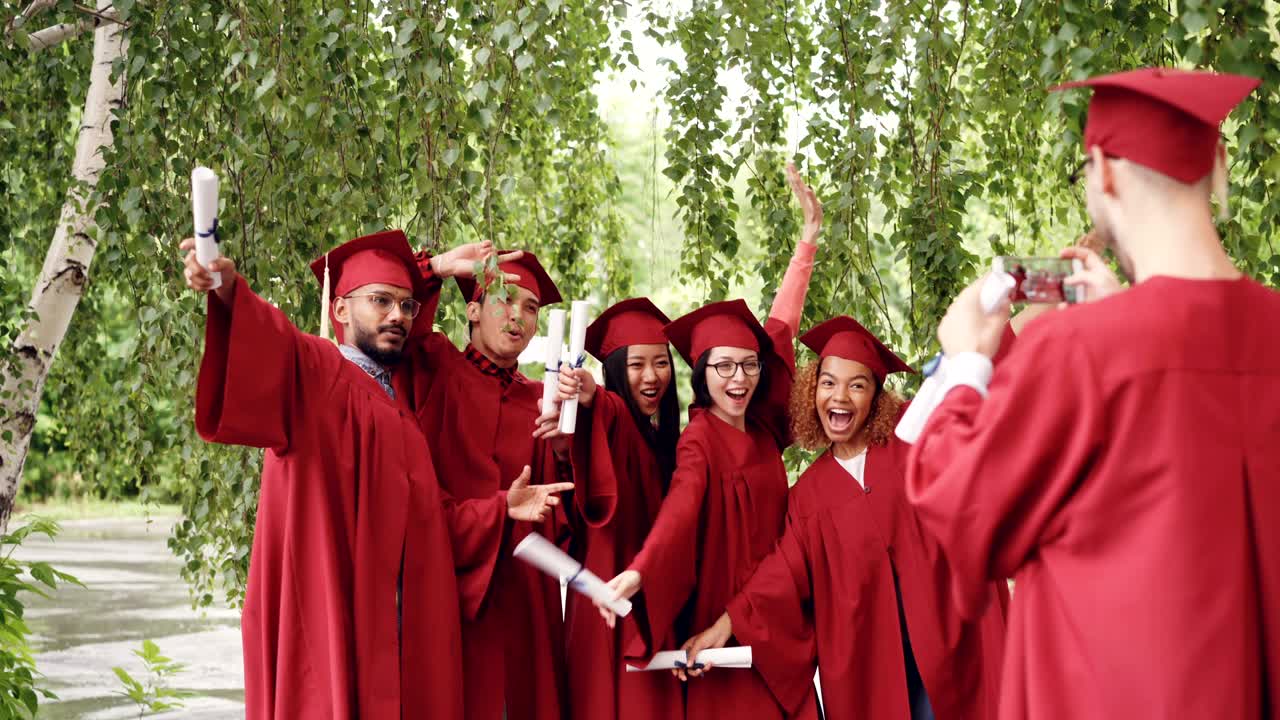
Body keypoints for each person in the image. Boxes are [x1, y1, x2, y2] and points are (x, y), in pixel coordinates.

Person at [902, 68, 1280, 718]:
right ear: (1216, 165)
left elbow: (964, 512)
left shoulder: (1080, 353)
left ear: (1103, 170)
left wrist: (965, 364)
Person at [182, 230, 567, 719]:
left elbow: (432, 520)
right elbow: (271, 337)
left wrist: (500, 508)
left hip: (391, 634)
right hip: (332, 617)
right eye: (380, 301)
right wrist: (226, 288)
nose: (398, 317)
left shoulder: (398, 410)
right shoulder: (319, 372)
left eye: (407, 306)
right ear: (339, 310)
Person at [682, 316, 1009, 720]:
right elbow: (780, 574)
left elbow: (973, 391)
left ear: (875, 397)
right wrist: (724, 627)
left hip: (950, 638)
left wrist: (1001, 316)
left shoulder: (911, 438)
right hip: (874, 663)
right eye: (829, 382)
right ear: (811, 391)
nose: (840, 396)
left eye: (858, 385)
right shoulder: (809, 496)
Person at [599, 164, 824, 720]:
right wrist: (641, 571)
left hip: (778, 616)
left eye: (747, 366)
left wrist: (807, 245)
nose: (739, 379)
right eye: (723, 367)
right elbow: (680, 508)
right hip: (720, 626)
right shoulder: (700, 437)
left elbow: (781, 328)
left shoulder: (766, 430)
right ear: (700, 372)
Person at [406, 248, 612, 720]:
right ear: (473, 311)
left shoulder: (540, 403)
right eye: (503, 299)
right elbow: (394, 314)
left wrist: (564, 452)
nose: (517, 315)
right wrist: (435, 268)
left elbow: (567, 520)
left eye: (530, 307)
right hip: (445, 583)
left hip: (523, 598)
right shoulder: (435, 368)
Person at [555, 297, 685, 720]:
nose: (651, 376)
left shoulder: (669, 444)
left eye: (661, 363)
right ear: (614, 372)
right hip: (604, 606)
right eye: (636, 365)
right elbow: (610, 418)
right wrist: (592, 393)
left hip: (652, 603)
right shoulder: (614, 425)